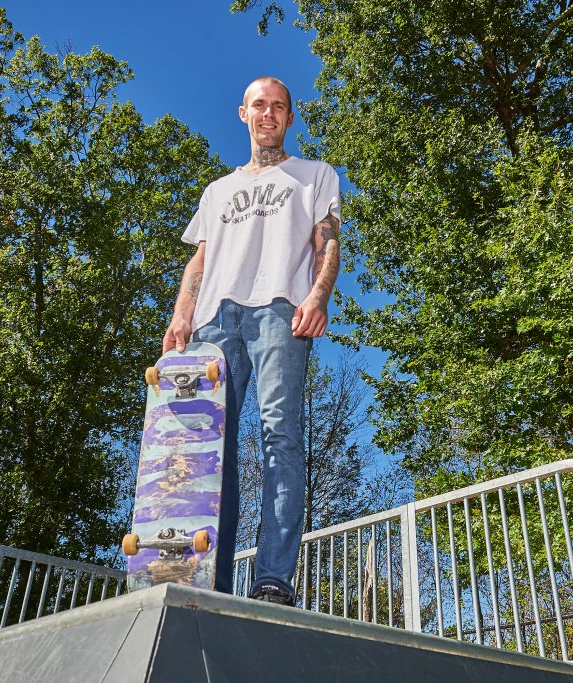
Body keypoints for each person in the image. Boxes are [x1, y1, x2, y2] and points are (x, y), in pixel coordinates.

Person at [161, 76, 340, 606]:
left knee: (280, 434)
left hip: (280, 309)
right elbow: (200, 256)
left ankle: (271, 579)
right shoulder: (217, 190)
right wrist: (180, 316)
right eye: (259, 105)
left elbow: (327, 242)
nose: (268, 114)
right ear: (244, 113)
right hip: (216, 320)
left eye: (278, 107)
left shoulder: (314, 175)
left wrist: (318, 296)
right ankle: (204, 577)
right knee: (209, 449)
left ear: (289, 117)